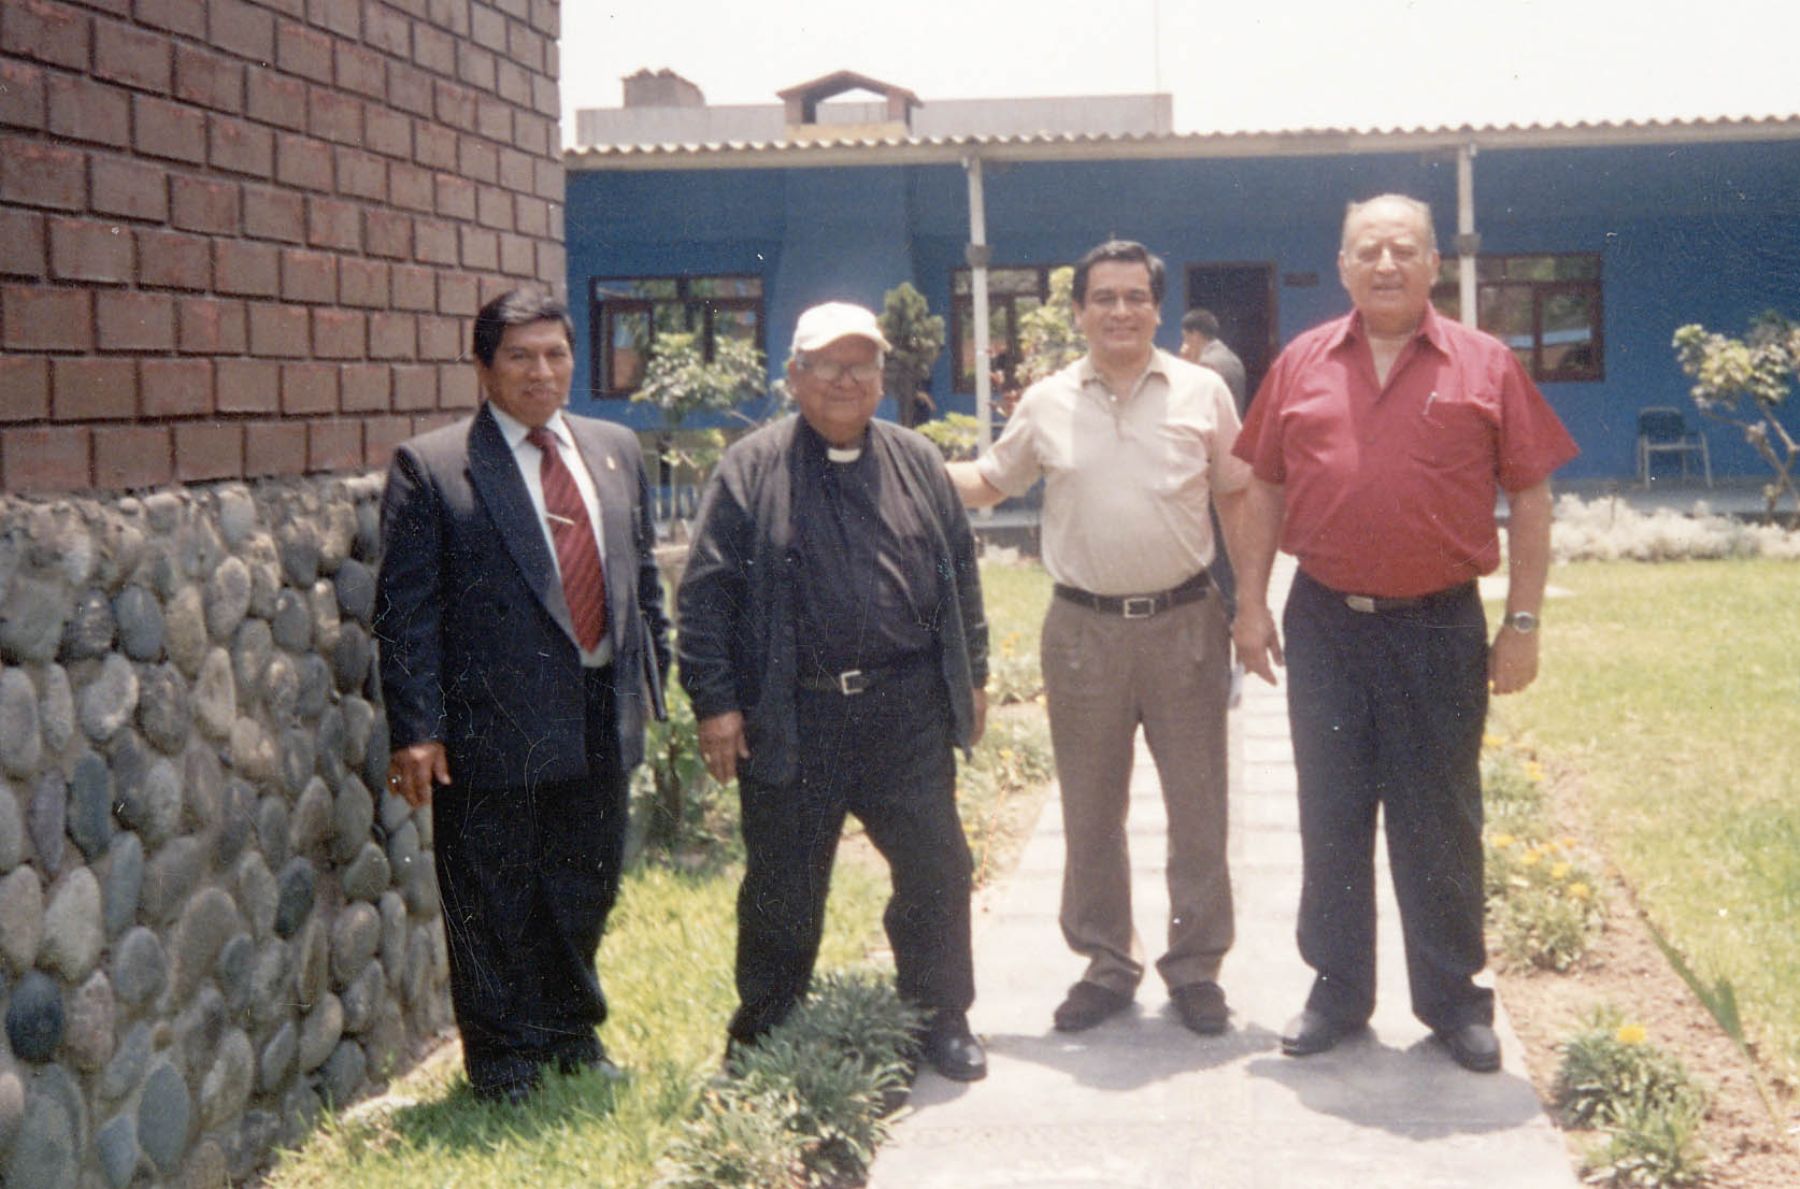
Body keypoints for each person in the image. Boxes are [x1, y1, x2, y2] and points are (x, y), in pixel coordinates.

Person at [1230, 194, 1578, 1073]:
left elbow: (1531, 494)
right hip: (1326, 623)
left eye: (1404, 249)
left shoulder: (1486, 363)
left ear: (1433, 264)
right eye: (1368, 250)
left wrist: (1523, 622)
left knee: (1440, 816)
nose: (1386, 264)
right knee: (1331, 809)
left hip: (1438, 625)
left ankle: (1453, 999)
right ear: (1343, 265)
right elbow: (1262, 485)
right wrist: (1249, 600)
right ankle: (1338, 992)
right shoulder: (1302, 361)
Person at [679, 301, 991, 1082]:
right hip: (798, 713)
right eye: (829, 365)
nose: (848, 380)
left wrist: (974, 675)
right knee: (784, 881)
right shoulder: (752, 467)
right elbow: (705, 593)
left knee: (937, 866)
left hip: (904, 711)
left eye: (863, 365)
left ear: (882, 377)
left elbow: (962, 575)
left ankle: (939, 1015)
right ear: (795, 376)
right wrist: (716, 703)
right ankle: (766, 1028)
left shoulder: (917, 459)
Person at [375, 289, 671, 1104]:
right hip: (492, 718)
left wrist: (654, 679)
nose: (543, 372)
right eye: (520, 356)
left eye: (556, 354)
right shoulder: (434, 467)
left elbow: (642, 577)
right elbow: (408, 612)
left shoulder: (613, 447)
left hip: (598, 708)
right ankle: (502, 1057)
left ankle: (571, 1031)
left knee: (586, 879)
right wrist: (417, 728)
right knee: (491, 891)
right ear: (482, 367)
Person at [949, 241, 1249, 1037]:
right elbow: (990, 481)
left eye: (1135, 297)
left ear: (1158, 307)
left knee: (1198, 806)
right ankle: (1107, 960)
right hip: (1081, 631)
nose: (1120, 311)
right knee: (1089, 807)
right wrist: (902, 458)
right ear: (1078, 310)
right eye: (1103, 298)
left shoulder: (1203, 390)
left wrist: (1249, 602)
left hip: (1186, 624)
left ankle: (1195, 966)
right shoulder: (1047, 400)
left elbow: (1240, 495)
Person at [1180, 307, 1251, 703]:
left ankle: (1224, 666)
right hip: (1225, 469)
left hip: (1210, 476)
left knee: (1216, 566)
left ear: (1193, 335)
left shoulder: (1207, 368)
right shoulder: (1231, 360)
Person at [1178, 307, 1248, 411]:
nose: (1184, 344)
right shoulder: (1233, 358)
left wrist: (1185, 364)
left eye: (1185, 338)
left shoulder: (1205, 364)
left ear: (1195, 336)